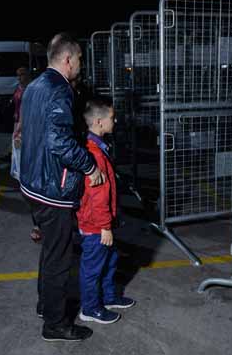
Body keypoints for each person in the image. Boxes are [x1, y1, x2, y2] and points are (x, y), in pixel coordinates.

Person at [18, 33, 106, 342]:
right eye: (80, 58)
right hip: (52, 189)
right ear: (67, 59)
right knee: (59, 259)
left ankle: (47, 305)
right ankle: (55, 325)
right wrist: (90, 165)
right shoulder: (59, 90)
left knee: (50, 251)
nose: (82, 63)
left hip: (32, 183)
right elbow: (59, 142)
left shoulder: (34, 86)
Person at [77, 96, 135, 325]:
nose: (115, 120)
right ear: (99, 122)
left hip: (100, 222)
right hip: (95, 225)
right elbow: (98, 196)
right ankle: (90, 309)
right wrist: (104, 227)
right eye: (112, 117)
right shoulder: (95, 154)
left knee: (109, 260)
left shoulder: (98, 147)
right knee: (93, 268)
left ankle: (109, 297)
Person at [11, 66, 42, 243]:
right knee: (29, 183)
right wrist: (19, 131)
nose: (19, 77)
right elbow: (21, 115)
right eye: (18, 74)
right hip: (24, 135)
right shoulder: (19, 90)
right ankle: (37, 224)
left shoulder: (34, 91)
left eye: (22, 74)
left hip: (37, 138)